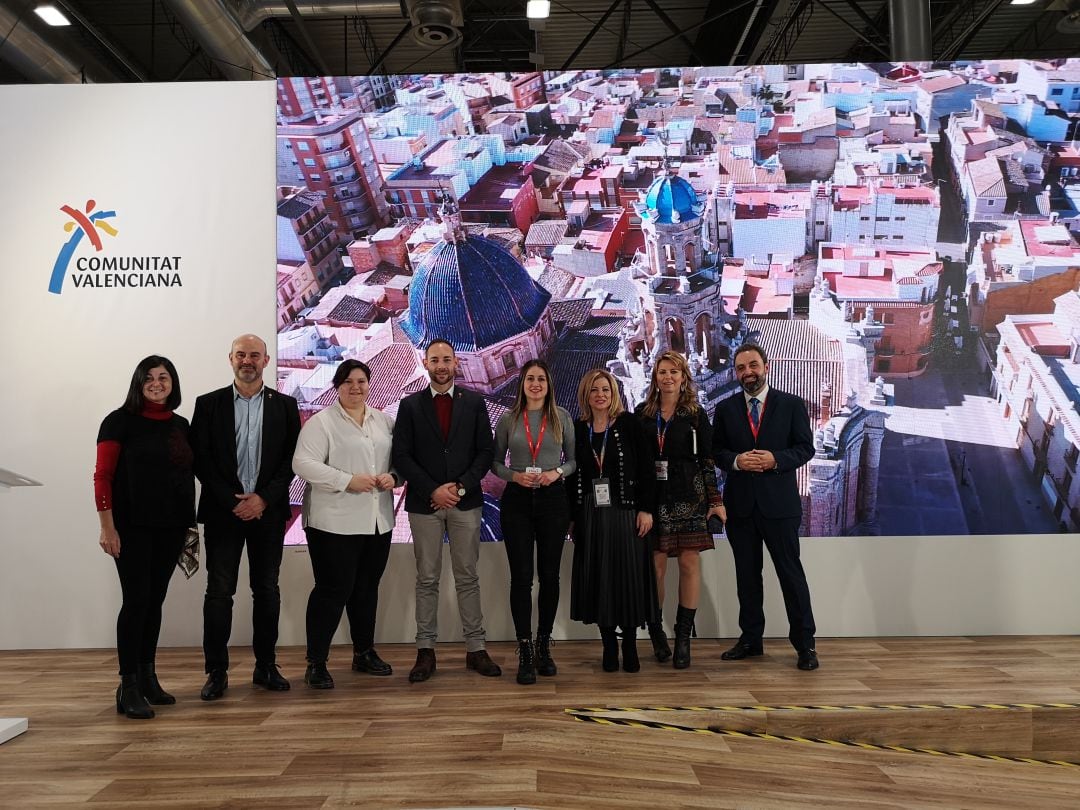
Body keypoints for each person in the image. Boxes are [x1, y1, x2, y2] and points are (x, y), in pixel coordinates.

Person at [190, 334, 301, 700]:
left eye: (255, 355)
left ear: (266, 361)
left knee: (266, 590)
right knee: (219, 592)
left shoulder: (285, 406)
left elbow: (290, 461)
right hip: (224, 514)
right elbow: (201, 460)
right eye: (241, 355)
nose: (247, 361)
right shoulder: (208, 405)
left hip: (267, 514)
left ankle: (265, 666)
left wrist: (263, 500)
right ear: (230, 359)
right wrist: (233, 501)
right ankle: (216, 671)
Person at [391, 339, 500, 682]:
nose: (441, 365)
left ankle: (476, 649)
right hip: (425, 505)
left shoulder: (475, 403)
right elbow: (402, 456)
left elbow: (485, 451)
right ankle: (425, 652)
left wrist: (459, 487)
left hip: (465, 502)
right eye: (435, 359)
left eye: (446, 359)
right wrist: (432, 490)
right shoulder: (409, 406)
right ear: (425, 363)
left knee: (468, 576)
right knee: (427, 579)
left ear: (456, 364)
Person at [94, 355, 195, 719]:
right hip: (131, 527)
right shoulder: (119, 422)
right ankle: (129, 685)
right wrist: (107, 527)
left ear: (173, 383)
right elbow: (102, 476)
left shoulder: (181, 425)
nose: (156, 383)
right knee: (136, 602)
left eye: (164, 377)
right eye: (149, 377)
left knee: (154, 602)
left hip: (170, 527)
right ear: (138, 383)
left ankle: (149, 678)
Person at [711, 343, 819, 671]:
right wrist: (737, 461)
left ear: (766, 366)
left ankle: (805, 646)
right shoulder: (727, 409)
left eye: (753, 365)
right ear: (736, 373)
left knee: (791, 576)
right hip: (741, 508)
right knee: (747, 577)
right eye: (741, 368)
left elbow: (805, 449)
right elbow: (717, 452)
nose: (748, 373)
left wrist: (776, 460)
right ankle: (750, 640)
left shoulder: (790, 404)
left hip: (781, 507)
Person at [292, 359, 398, 689]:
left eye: (362, 381)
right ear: (338, 386)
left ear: (369, 385)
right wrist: (346, 480)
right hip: (332, 524)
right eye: (349, 382)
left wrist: (393, 476)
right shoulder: (321, 423)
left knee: (366, 590)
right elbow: (302, 463)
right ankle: (316, 663)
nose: (356, 387)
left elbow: (399, 459)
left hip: (377, 521)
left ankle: (363, 652)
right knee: (331, 591)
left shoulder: (382, 420)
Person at [636, 351, 725, 669]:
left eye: (674, 371)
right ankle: (657, 633)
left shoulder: (696, 415)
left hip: (690, 497)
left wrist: (715, 501)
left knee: (689, 565)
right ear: (655, 377)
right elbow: (637, 464)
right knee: (656, 568)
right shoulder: (642, 416)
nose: (668, 377)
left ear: (683, 377)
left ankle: (683, 637)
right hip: (653, 500)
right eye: (662, 372)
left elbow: (707, 462)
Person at [567, 369, 657, 673]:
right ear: (586, 395)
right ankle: (608, 644)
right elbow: (571, 476)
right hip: (591, 514)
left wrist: (646, 509)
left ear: (613, 392)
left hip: (626, 511)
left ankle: (629, 643)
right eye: (594, 390)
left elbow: (647, 468)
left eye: (605, 389)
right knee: (600, 578)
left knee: (627, 578)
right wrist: (572, 517)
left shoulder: (630, 424)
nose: (600, 395)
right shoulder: (579, 429)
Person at [492, 359, 575, 685]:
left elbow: (574, 461)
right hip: (517, 502)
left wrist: (558, 472)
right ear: (522, 384)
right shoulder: (509, 419)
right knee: (521, 578)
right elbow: (496, 464)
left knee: (550, 576)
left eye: (541, 378)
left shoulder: (562, 418)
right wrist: (514, 476)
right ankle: (524, 647)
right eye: (530, 379)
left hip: (554, 501)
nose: (536, 384)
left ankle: (544, 644)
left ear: (548, 384)